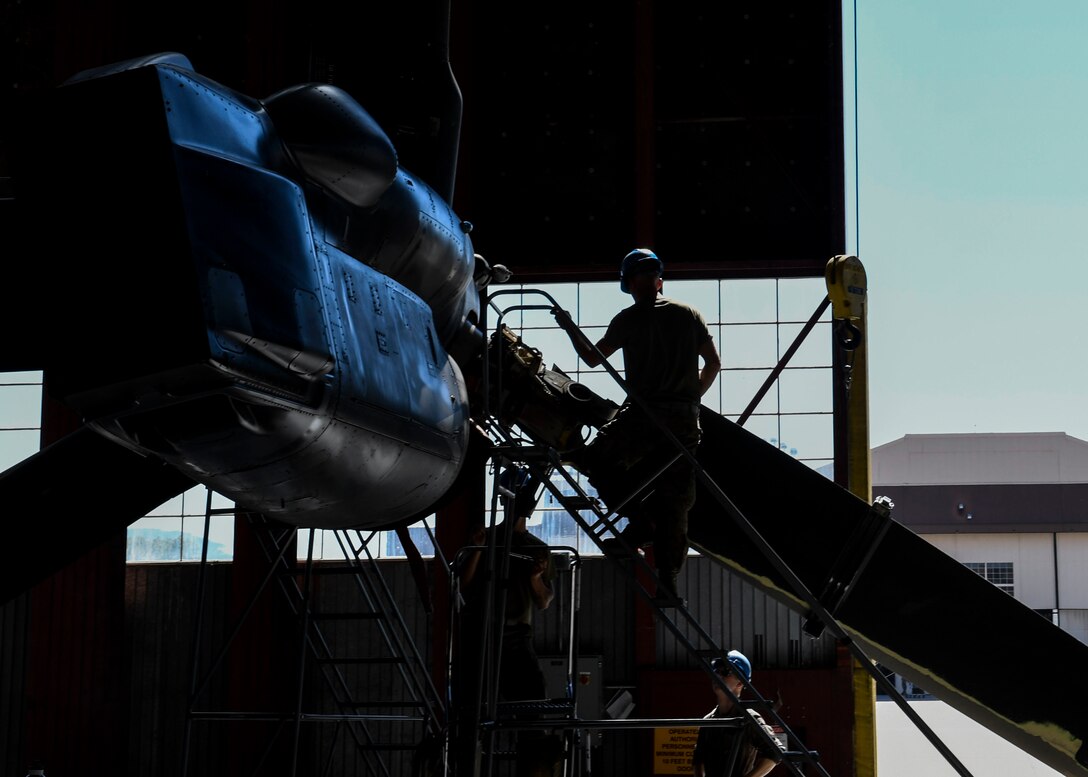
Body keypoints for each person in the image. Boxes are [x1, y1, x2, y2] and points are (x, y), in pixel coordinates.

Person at [552, 248, 721, 604]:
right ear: (659, 279)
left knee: (595, 459)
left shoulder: (627, 320)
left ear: (628, 284)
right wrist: (692, 400)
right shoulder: (689, 315)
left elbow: (592, 358)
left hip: (644, 417)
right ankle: (669, 583)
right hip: (684, 422)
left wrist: (567, 326)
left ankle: (638, 520)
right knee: (675, 505)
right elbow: (713, 363)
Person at [454, 466, 563, 777]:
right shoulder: (484, 538)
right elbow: (462, 585)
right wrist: (478, 548)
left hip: (516, 639)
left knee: (532, 711)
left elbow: (543, 600)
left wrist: (535, 578)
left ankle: (534, 769)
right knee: (470, 717)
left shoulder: (537, 549)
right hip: (480, 638)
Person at [692, 649, 786, 777]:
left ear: (740, 682)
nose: (718, 676)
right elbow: (698, 758)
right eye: (716, 671)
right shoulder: (708, 721)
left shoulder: (748, 718)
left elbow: (775, 752)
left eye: (725, 672)